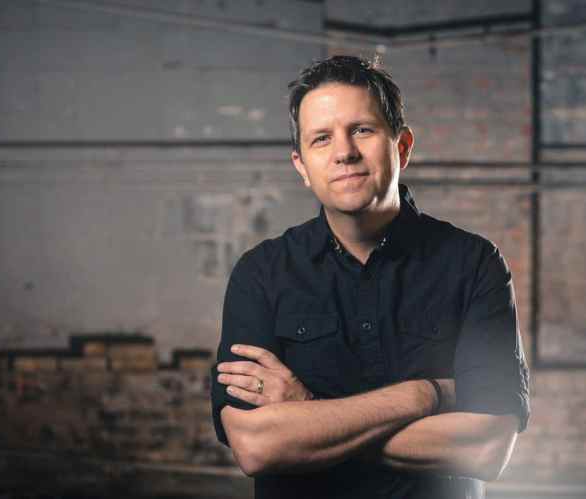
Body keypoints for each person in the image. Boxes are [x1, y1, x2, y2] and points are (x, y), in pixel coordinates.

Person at [210, 55, 530, 499]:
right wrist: (422, 396)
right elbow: (257, 446)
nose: (344, 152)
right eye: (321, 138)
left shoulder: (473, 264)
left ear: (403, 146)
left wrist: (308, 415)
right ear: (301, 166)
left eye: (362, 130)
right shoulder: (261, 273)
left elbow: (484, 448)